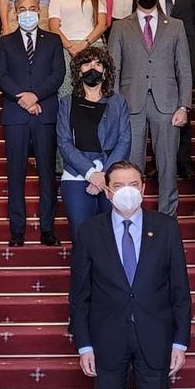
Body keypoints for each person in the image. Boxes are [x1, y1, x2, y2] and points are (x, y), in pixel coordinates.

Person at [69, 161, 191, 389]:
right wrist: (84, 344)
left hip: (156, 335)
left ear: (144, 189)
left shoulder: (165, 227)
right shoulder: (89, 231)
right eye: (120, 186)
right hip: (108, 337)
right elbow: (79, 293)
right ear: (108, 193)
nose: (128, 191)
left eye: (134, 185)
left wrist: (180, 342)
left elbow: (180, 289)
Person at [109, 0, 192, 216]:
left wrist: (184, 106)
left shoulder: (176, 26)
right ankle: (131, 214)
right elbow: (113, 69)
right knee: (131, 165)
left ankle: (167, 217)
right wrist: (115, 106)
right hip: (129, 104)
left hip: (167, 105)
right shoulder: (121, 26)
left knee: (167, 165)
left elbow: (184, 69)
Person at [0, 0, 65, 247]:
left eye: (32, 8)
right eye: (22, 9)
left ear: (40, 11)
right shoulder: (6, 42)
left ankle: (47, 229)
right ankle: (17, 231)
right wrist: (21, 98)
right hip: (15, 116)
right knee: (16, 174)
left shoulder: (53, 41)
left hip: (45, 115)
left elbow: (58, 75)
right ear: (14, 12)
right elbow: (1, 75)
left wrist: (35, 96)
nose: (27, 13)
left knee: (47, 174)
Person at [57, 47, 131, 243]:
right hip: (76, 175)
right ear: (78, 70)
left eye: (98, 64)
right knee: (81, 239)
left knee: (110, 240)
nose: (93, 68)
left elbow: (124, 140)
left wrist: (104, 176)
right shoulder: (66, 102)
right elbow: (64, 142)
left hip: (111, 178)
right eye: (87, 64)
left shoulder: (118, 102)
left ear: (105, 71)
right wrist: (91, 174)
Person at [151, 0, 195, 179]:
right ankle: (156, 161)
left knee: (183, 107)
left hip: (185, 56)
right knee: (156, 108)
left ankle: (183, 162)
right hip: (155, 59)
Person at [48, 0, 108, 96]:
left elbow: (102, 24)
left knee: (94, 92)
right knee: (66, 92)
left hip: (93, 46)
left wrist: (83, 45)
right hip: (66, 48)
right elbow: (53, 26)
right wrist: (70, 47)